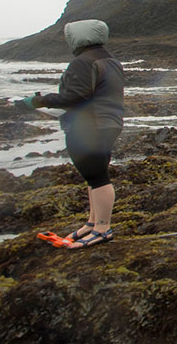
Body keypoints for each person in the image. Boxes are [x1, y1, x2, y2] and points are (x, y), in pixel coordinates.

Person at [13, 19, 124, 248]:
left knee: (97, 177)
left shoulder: (83, 62)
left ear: (79, 37)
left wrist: (38, 101)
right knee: (94, 175)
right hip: (109, 123)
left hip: (90, 126)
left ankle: (102, 228)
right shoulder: (110, 60)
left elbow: (75, 97)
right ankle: (93, 224)